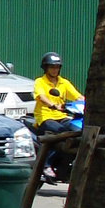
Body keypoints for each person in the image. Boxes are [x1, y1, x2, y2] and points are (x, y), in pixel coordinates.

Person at [32, 52, 83, 184]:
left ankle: (64, 167)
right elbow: (41, 96)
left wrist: (88, 103)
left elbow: (77, 96)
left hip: (62, 116)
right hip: (45, 117)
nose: (54, 70)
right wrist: (52, 105)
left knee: (77, 132)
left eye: (56, 67)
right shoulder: (40, 81)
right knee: (61, 133)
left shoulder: (63, 82)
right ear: (45, 68)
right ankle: (46, 164)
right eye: (51, 67)